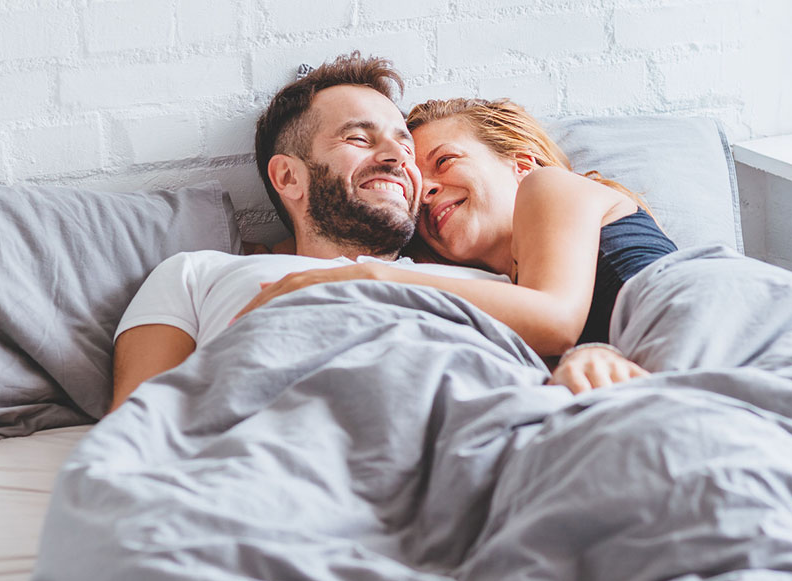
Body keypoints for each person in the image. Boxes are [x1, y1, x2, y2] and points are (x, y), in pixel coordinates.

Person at [108, 52, 507, 413]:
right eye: (358, 138)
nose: (396, 158)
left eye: (404, 147)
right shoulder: (196, 275)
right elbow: (135, 428)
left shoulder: (489, 285)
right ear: (288, 177)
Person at [233, 98, 677, 392]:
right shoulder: (497, 292)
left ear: (521, 163)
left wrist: (368, 276)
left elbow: (555, 319)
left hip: (698, 305)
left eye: (445, 161)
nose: (426, 192)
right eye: (418, 186)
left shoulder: (548, 187)